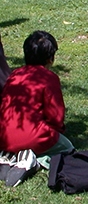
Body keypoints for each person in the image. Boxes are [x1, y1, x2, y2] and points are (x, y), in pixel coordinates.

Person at [0, 31, 75, 186]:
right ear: (50, 58)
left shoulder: (14, 75)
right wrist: (57, 131)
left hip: (4, 136)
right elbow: (56, 116)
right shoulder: (49, 78)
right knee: (68, 148)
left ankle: (11, 156)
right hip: (33, 136)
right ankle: (34, 160)